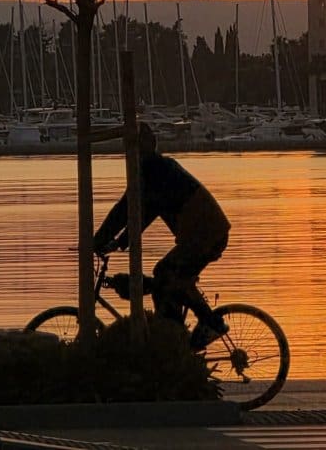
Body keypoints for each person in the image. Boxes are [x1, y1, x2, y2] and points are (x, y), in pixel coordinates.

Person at [94, 123, 231, 348]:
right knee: (165, 283)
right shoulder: (156, 167)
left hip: (206, 234)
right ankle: (174, 336)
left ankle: (211, 323)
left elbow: (130, 209)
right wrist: (118, 242)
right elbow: (140, 211)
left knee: (168, 273)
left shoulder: (154, 169)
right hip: (204, 233)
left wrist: (101, 240)